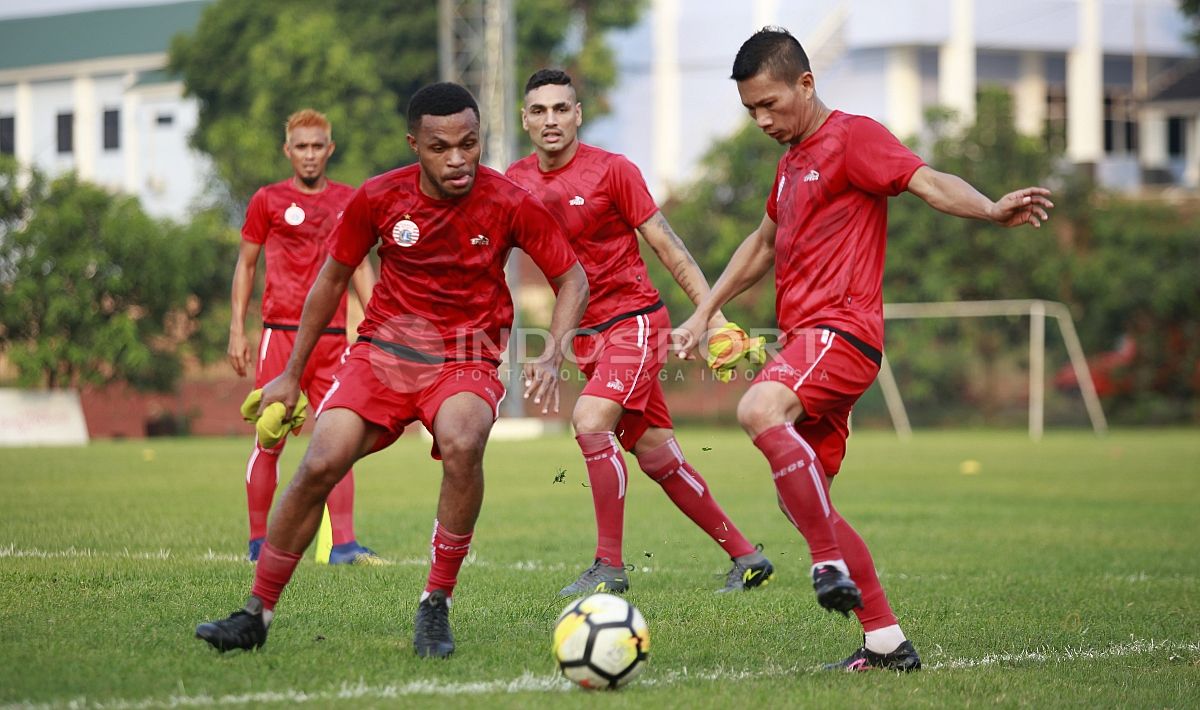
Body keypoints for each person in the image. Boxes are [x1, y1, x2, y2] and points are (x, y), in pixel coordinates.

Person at [674, 27, 1054, 672]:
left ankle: (826, 563)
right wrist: (704, 311)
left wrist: (989, 208)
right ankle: (885, 642)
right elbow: (762, 246)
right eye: (750, 111)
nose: (762, 120)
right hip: (807, 342)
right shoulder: (790, 164)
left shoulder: (854, 137)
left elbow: (927, 181)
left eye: (770, 104)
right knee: (806, 500)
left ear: (806, 83)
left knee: (758, 410)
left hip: (840, 333)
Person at [196, 82, 589, 658]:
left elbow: (571, 278)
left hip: (466, 355)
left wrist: (554, 350)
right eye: (440, 147)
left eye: (469, 143)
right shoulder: (378, 199)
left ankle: (436, 603)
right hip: (382, 352)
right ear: (414, 145)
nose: (457, 159)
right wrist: (290, 372)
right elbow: (330, 281)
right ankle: (257, 611)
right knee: (320, 460)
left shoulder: (509, 201)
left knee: (462, 440)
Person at [506, 69, 774, 596]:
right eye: (539, 111)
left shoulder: (613, 171)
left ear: (578, 114)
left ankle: (609, 566)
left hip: (634, 323)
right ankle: (747, 557)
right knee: (656, 455)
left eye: (562, 108)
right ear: (525, 119)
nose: (551, 120)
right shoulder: (513, 183)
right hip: (586, 338)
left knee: (588, 419)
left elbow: (668, 246)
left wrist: (711, 318)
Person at [228, 109, 380, 565]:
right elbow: (247, 264)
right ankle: (259, 542)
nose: (310, 154)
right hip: (281, 337)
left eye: (318, 146)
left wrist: (375, 327)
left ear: (330, 149)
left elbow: (359, 267)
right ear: (288, 151)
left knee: (340, 439)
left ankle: (345, 546)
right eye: (302, 146)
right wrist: (237, 328)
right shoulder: (267, 201)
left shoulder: (350, 201)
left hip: (333, 340)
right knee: (269, 437)